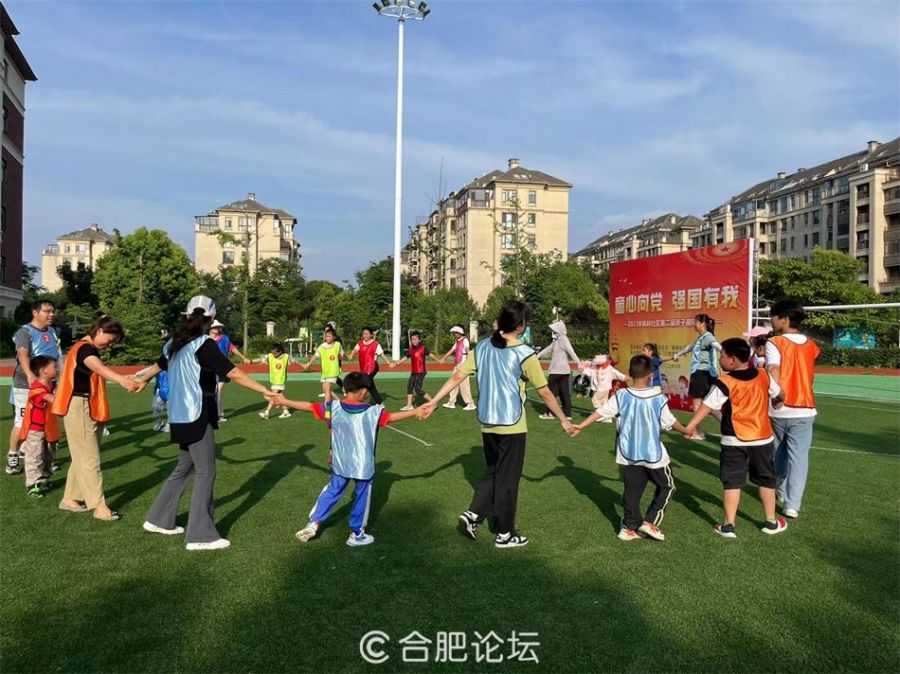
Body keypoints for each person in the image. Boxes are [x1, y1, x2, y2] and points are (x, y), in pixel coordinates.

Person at [426, 301, 573, 549]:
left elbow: (457, 375)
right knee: (508, 480)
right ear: (520, 325)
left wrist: (434, 401)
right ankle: (505, 533)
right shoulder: (524, 353)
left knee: (494, 471)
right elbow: (545, 392)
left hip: (488, 423)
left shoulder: (482, 347)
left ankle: (473, 514)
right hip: (512, 426)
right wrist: (564, 419)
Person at [134, 296, 276, 551]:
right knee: (206, 471)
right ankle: (200, 535)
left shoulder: (174, 343)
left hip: (178, 416)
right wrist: (264, 390)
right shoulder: (204, 344)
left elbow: (157, 365)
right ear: (211, 319)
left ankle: (158, 519)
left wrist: (142, 379)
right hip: (197, 414)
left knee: (185, 466)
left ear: (188, 316)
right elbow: (232, 372)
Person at [276, 372, 431, 547]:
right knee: (362, 497)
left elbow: (309, 406)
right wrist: (415, 411)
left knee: (332, 491)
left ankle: (314, 522)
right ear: (363, 391)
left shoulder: (332, 407)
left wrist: (284, 401)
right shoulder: (373, 411)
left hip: (340, 462)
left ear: (345, 388)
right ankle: (356, 534)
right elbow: (391, 417)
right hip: (363, 466)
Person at [571, 354, 688, 542]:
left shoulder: (621, 395)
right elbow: (670, 421)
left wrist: (581, 426)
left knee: (632, 490)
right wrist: (686, 430)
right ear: (651, 375)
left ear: (630, 373)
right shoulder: (658, 398)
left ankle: (628, 527)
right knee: (667, 485)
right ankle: (649, 522)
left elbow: (601, 411)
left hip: (628, 453)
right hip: (653, 455)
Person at [683, 337, 789, 539]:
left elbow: (707, 405)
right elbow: (780, 392)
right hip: (761, 438)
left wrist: (691, 426)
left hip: (733, 440)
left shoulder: (725, 381)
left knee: (732, 482)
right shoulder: (763, 375)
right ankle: (771, 521)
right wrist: (779, 400)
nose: (720, 359)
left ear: (731, 360)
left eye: (722, 355)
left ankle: (728, 525)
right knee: (766, 480)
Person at [52, 315, 140, 521]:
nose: (110, 345)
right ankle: (99, 506)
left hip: (85, 405)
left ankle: (70, 498)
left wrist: (122, 378)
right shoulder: (85, 349)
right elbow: (97, 367)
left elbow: (97, 369)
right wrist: (121, 380)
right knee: (89, 458)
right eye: (110, 339)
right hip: (79, 405)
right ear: (99, 331)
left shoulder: (85, 348)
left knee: (82, 456)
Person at [765, 300, 820, 519]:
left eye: (774, 316)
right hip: (806, 408)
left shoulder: (775, 342)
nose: (771, 320)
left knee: (778, 452)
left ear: (784, 319)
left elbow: (773, 369)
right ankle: (792, 504)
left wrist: (776, 395)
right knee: (799, 457)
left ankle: (780, 490)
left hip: (781, 406)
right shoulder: (812, 344)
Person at [7, 299, 60, 476]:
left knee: (46, 420)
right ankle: (13, 456)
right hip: (25, 385)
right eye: (47, 311)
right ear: (35, 313)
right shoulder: (25, 332)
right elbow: (22, 353)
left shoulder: (52, 331)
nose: (51, 314)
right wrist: (30, 375)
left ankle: (44, 459)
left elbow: (55, 356)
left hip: (49, 384)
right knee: (23, 421)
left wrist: (59, 378)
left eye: (52, 311)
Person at [671, 313, 722, 439]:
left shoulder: (707, 337)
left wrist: (725, 351)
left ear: (702, 324)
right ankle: (730, 426)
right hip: (707, 374)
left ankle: (698, 432)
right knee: (709, 405)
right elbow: (690, 347)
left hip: (701, 373)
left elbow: (716, 345)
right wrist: (678, 354)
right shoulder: (701, 338)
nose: (694, 324)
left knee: (697, 403)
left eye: (696, 322)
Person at [18, 355, 61, 498]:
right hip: (36, 430)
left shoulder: (50, 386)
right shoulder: (37, 388)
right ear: (43, 371)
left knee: (49, 456)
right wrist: (63, 387)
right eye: (54, 366)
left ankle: (43, 478)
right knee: (34, 456)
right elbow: (54, 400)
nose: (57, 368)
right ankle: (33, 484)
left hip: (49, 428)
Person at [209, 319, 250, 422]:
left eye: (218, 327)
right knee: (212, 394)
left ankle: (218, 416)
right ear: (210, 328)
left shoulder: (224, 338)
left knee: (217, 393)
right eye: (215, 327)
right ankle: (220, 415)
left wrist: (243, 357)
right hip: (210, 370)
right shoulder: (205, 340)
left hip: (222, 368)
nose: (217, 328)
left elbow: (232, 348)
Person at [536, 320, 579, 421]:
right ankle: (567, 414)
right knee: (564, 393)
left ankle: (550, 413)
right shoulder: (557, 340)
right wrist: (536, 356)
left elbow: (571, 351)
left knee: (551, 393)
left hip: (557, 371)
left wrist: (579, 363)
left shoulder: (563, 339)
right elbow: (547, 349)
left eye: (554, 330)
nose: (553, 331)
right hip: (562, 371)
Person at [394, 330, 441, 410]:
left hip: (421, 371)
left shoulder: (423, 348)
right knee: (409, 387)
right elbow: (405, 358)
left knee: (418, 389)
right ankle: (409, 406)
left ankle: (433, 403)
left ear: (419, 340)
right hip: (414, 372)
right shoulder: (410, 349)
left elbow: (431, 355)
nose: (414, 341)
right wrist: (396, 364)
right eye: (412, 339)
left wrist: (439, 361)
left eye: (415, 339)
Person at [347, 327, 392, 405]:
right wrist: (351, 355)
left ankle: (358, 403)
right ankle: (380, 403)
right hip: (364, 368)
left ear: (371, 335)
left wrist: (388, 363)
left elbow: (382, 354)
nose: (365, 335)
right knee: (370, 386)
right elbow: (355, 350)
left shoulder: (375, 344)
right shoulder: (360, 343)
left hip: (372, 367)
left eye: (367, 334)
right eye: (364, 334)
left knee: (364, 384)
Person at [439, 325, 476, 411]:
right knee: (453, 383)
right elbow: (451, 350)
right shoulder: (457, 341)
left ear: (460, 332)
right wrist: (443, 358)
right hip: (457, 365)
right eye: (454, 332)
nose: (455, 334)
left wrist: (469, 363)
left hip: (463, 366)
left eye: (456, 332)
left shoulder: (465, 340)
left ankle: (470, 403)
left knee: (464, 385)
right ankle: (451, 402)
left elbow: (467, 351)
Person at [302, 327, 343, 402]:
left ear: (334, 337)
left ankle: (326, 408)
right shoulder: (322, 346)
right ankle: (339, 402)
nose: (327, 338)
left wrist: (339, 363)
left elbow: (341, 355)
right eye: (326, 336)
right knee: (326, 390)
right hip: (325, 372)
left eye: (329, 336)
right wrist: (309, 363)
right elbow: (316, 355)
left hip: (333, 371)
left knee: (327, 391)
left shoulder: (338, 345)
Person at [257, 343, 295, 420]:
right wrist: (251, 361)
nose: (273, 354)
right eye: (272, 353)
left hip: (280, 380)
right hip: (274, 380)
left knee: (273, 396)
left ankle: (266, 413)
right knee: (279, 396)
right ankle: (286, 412)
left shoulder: (286, 356)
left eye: (275, 353)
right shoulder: (270, 356)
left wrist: (303, 364)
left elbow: (294, 361)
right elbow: (261, 359)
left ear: (280, 351)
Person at [589, 354, 627, 421]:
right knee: (601, 402)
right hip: (597, 387)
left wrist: (625, 377)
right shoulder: (595, 368)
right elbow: (590, 373)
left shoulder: (609, 369)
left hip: (604, 388)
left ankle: (602, 416)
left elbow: (617, 374)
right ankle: (602, 416)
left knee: (597, 400)